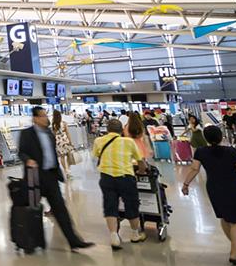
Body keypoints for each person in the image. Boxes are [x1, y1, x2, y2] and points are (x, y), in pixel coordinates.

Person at [182, 125, 236, 265]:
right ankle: (235, 254)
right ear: (221, 136)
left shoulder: (201, 152)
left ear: (206, 138)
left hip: (214, 189)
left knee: (225, 217)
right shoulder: (231, 151)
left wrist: (186, 184)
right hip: (233, 189)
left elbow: (194, 169)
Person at [17, 106, 94, 251]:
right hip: (35, 178)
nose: (46, 118)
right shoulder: (26, 134)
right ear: (35, 118)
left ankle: (73, 240)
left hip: (50, 176)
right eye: (43, 116)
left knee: (61, 210)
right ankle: (30, 242)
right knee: (33, 210)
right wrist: (28, 160)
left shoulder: (49, 133)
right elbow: (21, 152)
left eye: (46, 115)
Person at [92, 118, 148, 249]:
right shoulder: (128, 142)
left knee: (110, 205)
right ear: (122, 129)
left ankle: (114, 236)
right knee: (131, 204)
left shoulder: (98, 141)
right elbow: (140, 161)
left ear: (107, 130)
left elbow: (96, 155)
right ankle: (135, 234)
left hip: (106, 177)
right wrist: (141, 171)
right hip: (125, 177)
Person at [52, 110, 75, 179]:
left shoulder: (54, 124)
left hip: (58, 142)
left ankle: (66, 171)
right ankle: (69, 170)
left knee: (62, 157)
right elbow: (67, 133)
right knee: (69, 155)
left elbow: (54, 134)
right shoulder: (64, 123)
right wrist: (71, 141)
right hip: (65, 141)